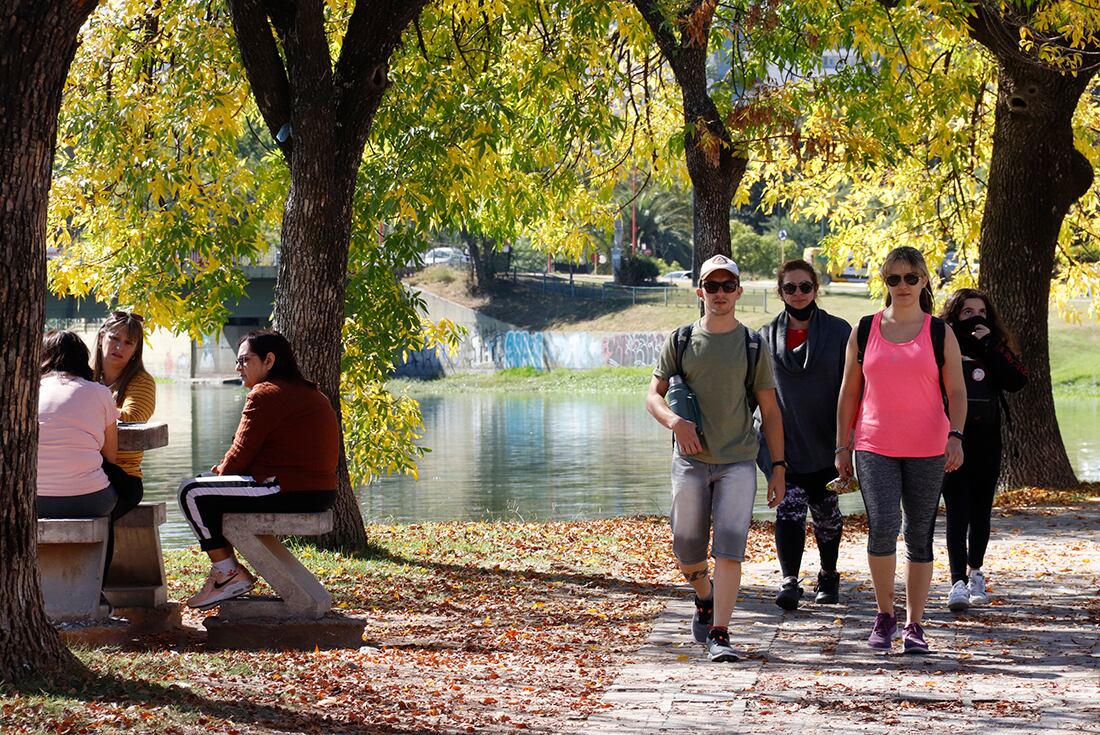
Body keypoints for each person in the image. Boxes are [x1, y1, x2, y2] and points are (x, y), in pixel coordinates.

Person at [646, 254, 786, 663]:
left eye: (728, 286)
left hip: (739, 461)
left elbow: (771, 412)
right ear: (700, 292)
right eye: (712, 286)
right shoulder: (681, 339)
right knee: (687, 547)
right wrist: (676, 423)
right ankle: (704, 597)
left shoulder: (753, 344)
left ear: (739, 291)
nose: (720, 293)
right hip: (690, 460)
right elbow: (652, 396)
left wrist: (778, 467)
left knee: (730, 547)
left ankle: (720, 633)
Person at [835, 246, 966, 654]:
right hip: (873, 445)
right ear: (884, 282)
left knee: (919, 534)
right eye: (894, 278)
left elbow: (958, 391)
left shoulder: (939, 331)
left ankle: (914, 625)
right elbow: (848, 393)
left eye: (911, 277)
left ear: (925, 280)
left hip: (929, 446)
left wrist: (956, 435)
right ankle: (884, 615)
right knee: (883, 528)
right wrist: (843, 446)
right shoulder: (865, 328)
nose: (903, 285)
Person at [177, 330, 340, 610]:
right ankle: (227, 572)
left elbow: (240, 454)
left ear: (269, 360)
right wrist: (220, 475)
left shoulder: (265, 393)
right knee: (205, 486)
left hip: (289, 488)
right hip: (318, 492)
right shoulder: (310, 392)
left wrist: (219, 474)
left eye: (244, 361)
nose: (237, 368)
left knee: (191, 491)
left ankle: (226, 574)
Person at [758, 259, 851, 610]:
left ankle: (828, 575)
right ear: (780, 291)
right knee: (789, 510)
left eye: (805, 287)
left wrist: (848, 442)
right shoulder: (764, 337)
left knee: (827, 515)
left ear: (816, 289)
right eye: (790, 288)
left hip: (829, 441)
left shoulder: (841, 332)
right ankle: (789, 579)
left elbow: (855, 387)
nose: (798, 294)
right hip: (786, 442)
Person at [938, 288, 1028, 611]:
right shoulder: (944, 345)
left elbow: (1018, 380)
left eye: (981, 312)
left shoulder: (996, 348)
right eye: (967, 312)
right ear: (954, 316)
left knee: (980, 512)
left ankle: (976, 572)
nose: (975, 317)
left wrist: (990, 343)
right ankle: (956, 582)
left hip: (988, 441)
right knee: (957, 512)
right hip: (952, 439)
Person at [37, 331, 120, 608]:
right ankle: (98, 589)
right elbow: (111, 456)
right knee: (127, 488)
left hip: (31, 502)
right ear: (83, 359)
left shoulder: (25, 391)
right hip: (88, 501)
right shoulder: (100, 393)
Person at [93, 310, 156, 569]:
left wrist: (88, 405)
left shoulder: (141, 381)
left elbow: (133, 416)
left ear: (135, 350)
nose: (119, 346)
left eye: (128, 343)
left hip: (123, 477)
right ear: (100, 339)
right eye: (114, 338)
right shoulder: (84, 376)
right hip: (81, 472)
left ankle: (95, 595)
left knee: (99, 521)